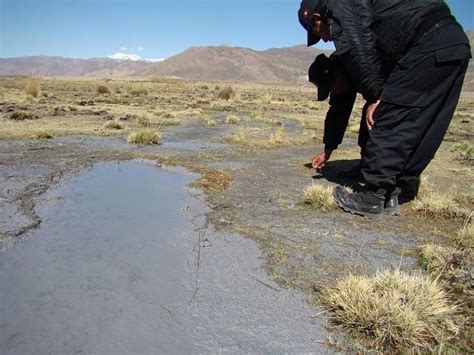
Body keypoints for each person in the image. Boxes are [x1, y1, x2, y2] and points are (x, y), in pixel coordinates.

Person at [298, 0, 471, 218]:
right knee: (420, 120)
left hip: (426, 40)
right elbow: (339, 110)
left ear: (317, 17)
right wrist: (328, 149)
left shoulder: (347, 32)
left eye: (317, 31)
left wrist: (376, 97)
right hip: (452, 42)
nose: (324, 39)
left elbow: (359, 44)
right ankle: (397, 189)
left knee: (387, 115)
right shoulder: (358, 59)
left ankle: (373, 196)